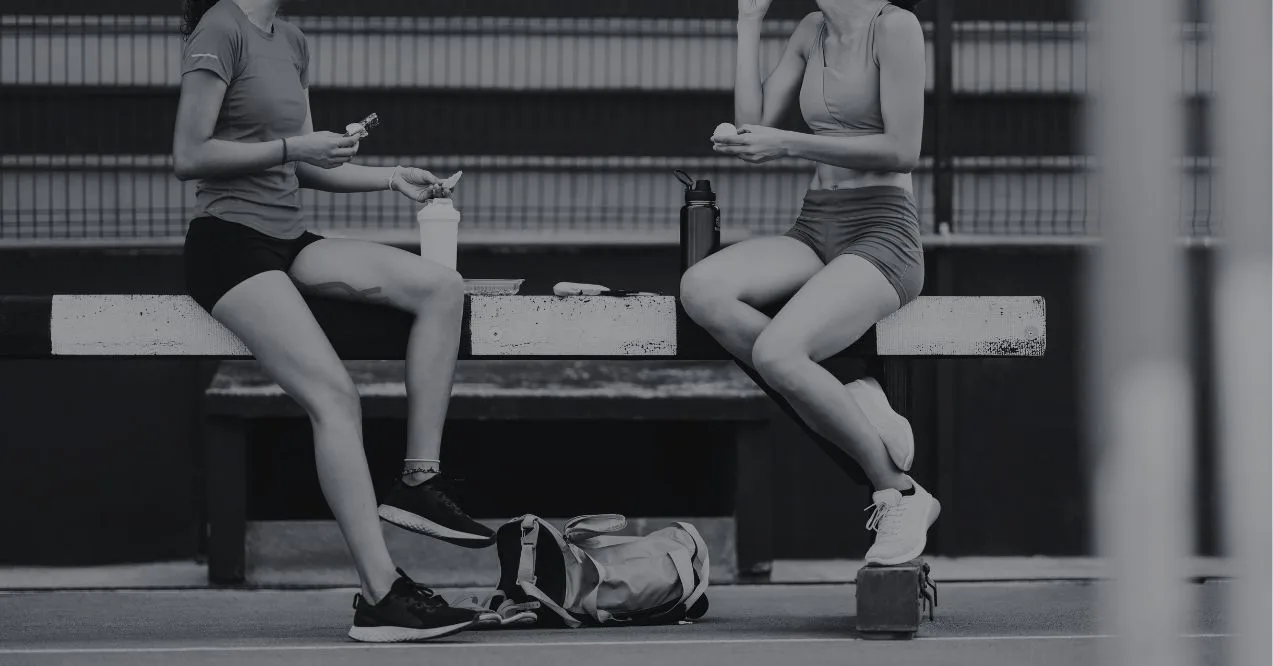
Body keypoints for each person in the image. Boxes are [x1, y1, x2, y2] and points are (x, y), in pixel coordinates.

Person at [174, 0, 491, 642]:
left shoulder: (290, 38)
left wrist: (390, 177)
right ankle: (382, 595)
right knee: (336, 398)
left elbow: (305, 164)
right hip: (228, 244)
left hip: (291, 238)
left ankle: (418, 485)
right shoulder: (220, 27)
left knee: (440, 288)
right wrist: (295, 145)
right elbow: (189, 154)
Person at [682, 0, 939, 566]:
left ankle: (899, 492)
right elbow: (754, 128)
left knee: (778, 353)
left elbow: (904, 149)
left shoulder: (894, 27)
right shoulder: (812, 29)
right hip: (815, 222)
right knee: (701, 288)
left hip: (883, 230)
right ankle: (850, 394)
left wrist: (790, 142)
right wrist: (749, 21)